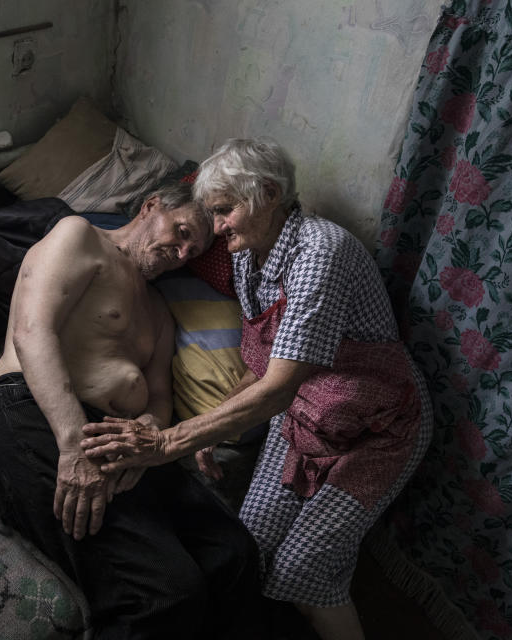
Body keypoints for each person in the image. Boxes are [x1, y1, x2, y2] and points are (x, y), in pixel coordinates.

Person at [81, 139, 433, 640]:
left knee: (303, 572)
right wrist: (209, 429)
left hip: (380, 429)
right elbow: (266, 362)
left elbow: (276, 390)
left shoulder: (320, 252)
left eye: (225, 211)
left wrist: (169, 442)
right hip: (305, 417)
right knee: (248, 544)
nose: (217, 227)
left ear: (268, 194)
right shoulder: (249, 257)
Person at [0, 181, 264, 640]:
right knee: (165, 593)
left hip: (118, 438)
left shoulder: (160, 312)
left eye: (194, 249)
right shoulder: (79, 237)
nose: (183, 252)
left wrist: (147, 431)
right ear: (150, 206)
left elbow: (161, 397)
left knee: (236, 553)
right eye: (181, 231)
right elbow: (32, 332)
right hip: (33, 411)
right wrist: (72, 446)